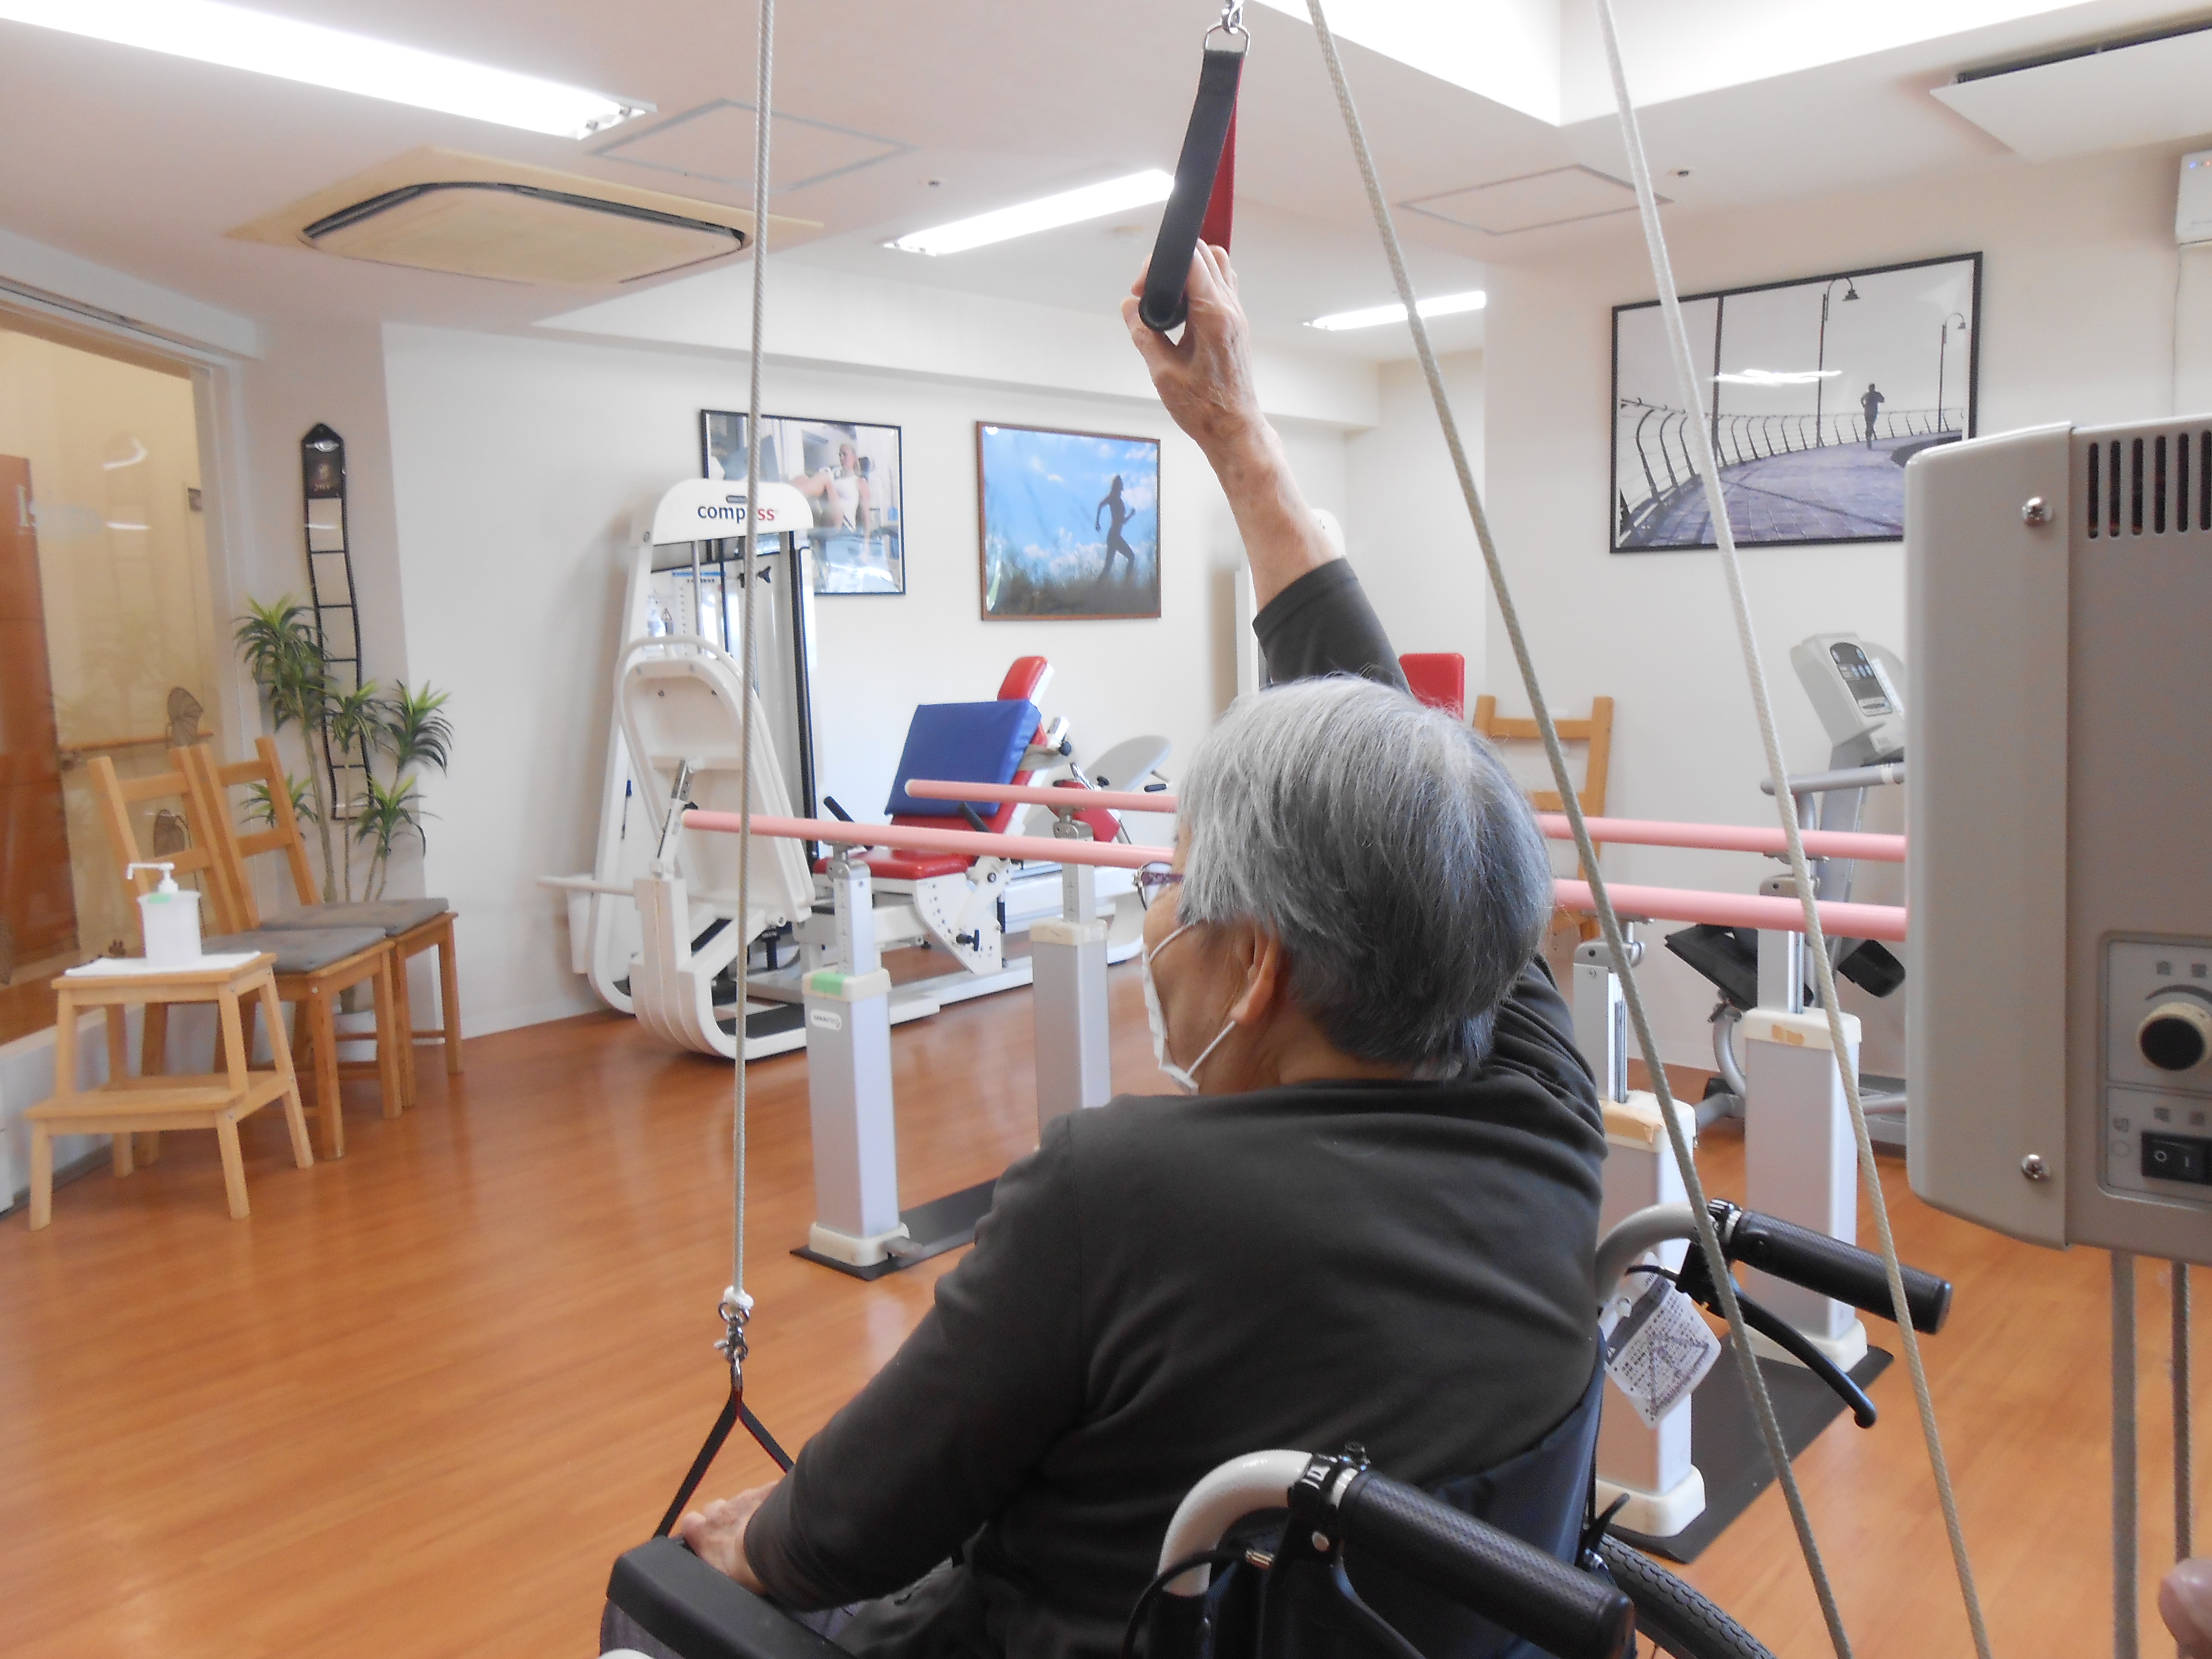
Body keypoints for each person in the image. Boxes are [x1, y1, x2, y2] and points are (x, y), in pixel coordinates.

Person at [644, 245, 1604, 1659]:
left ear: (1258, 965)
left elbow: (840, 1534)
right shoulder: (1545, 1111)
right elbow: (1409, 786)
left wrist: (762, 1541)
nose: (1154, 915)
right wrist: (1235, 433)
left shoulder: (1120, 1196)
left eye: (1172, 885)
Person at [1094, 473, 1138, 586]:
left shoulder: (1120, 501)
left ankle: (1095, 589)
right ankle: (1126, 586)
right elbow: (1100, 505)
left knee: (1108, 568)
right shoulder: (1113, 497)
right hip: (1114, 536)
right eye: (1120, 484)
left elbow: (1122, 522)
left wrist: (1131, 515)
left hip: (1115, 536)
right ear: (1117, 486)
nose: (1122, 486)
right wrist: (1097, 522)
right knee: (1131, 558)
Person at [1860, 382, 1886, 447]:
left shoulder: (1867, 394)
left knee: (1868, 425)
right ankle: (1869, 436)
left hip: (1867, 411)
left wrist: (1864, 405)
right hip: (1874, 411)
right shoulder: (1877, 394)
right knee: (1871, 425)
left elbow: (1862, 399)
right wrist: (1877, 400)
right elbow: (1883, 400)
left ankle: (1868, 437)